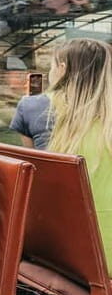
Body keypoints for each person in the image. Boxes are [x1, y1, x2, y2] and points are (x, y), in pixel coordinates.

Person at [45, 38, 112, 270]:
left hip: (73, 259)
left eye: (51, 67)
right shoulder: (104, 131)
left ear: (62, 69)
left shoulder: (52, 115)